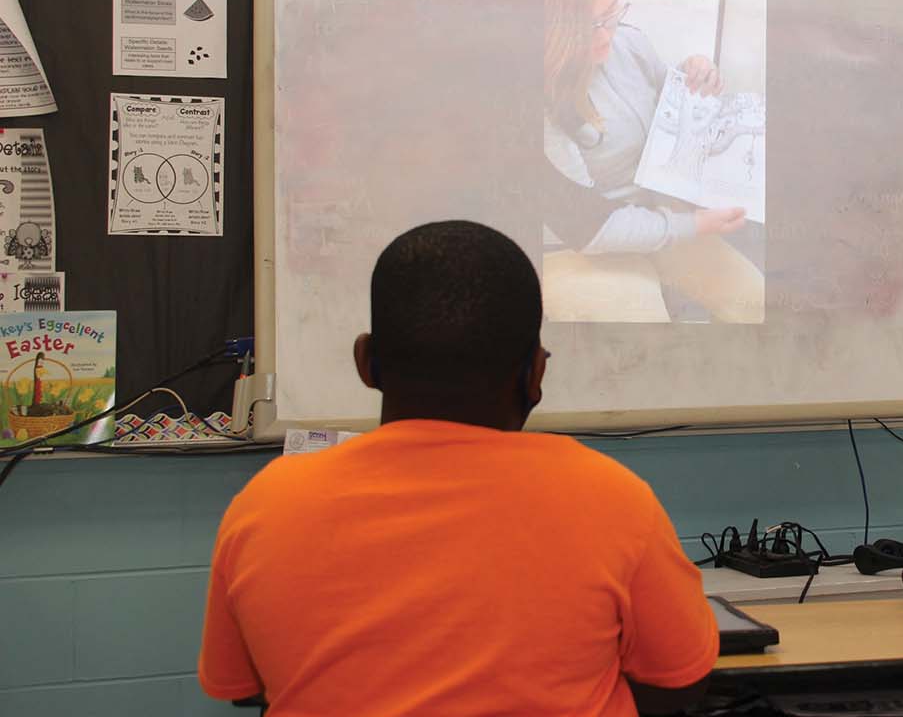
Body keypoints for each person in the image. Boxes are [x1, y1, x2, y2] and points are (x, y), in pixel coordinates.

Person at [199, 221, 718, 716]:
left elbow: (242, 686)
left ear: (366, 363)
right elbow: (679, 681)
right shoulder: (612, 498)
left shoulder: (268, 504)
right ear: (535, 373)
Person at [541, 0, 764, 323]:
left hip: (665, 213)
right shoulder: (541, 106)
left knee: (756, 300)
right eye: (584, 27)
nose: (606, 36)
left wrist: (693, 74)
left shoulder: (630, 41)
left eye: (610, 14)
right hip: (590, 242)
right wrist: (692, 224)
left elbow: (666, 101)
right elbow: (588, 228)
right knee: (646, 335)